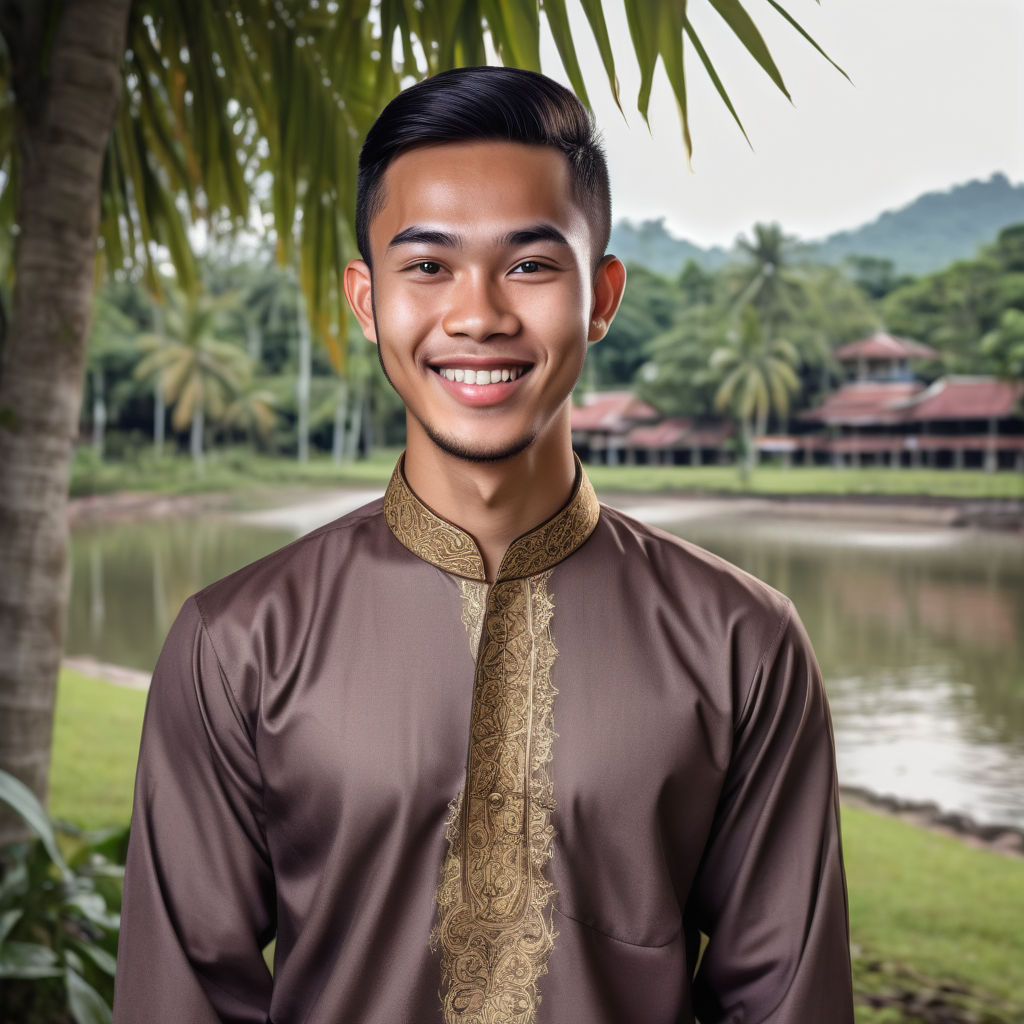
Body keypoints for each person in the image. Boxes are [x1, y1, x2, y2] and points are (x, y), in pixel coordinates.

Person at [113, 66, 854, 1024]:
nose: (478, 314)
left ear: (602, 296)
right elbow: (180, 999)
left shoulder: (742, 641)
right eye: (427, 266)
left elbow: (785, 1000)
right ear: (368, 298)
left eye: (531, 265)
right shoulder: (238, 640)